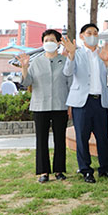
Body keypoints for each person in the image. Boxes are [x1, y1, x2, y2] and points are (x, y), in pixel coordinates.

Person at [62, 23, 108, 183]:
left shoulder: (103, 53)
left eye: (95, 33)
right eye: (89, 33)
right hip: (82, 102)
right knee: (82, 137)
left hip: (100, 101)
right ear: (82, 36)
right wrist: (71, 55)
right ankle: (85, 169)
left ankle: (106, 168)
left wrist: (107, 61)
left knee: (103, 136)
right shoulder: (76, 53)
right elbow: (67, 72)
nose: (92, 35)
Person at [18, 29, 71, 183]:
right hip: (40, 106)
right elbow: (26, 83)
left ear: (58, 43)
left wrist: (70, 106)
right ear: (43, 43)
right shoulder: (35, 62)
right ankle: (43, 172)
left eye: (52, 40)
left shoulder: (65, 61)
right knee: (41, 140)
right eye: (46, 40)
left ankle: (59, 170)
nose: (49, 43)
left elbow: (69, 84)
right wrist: (24, 68)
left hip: (60, 105)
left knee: (60, 139)